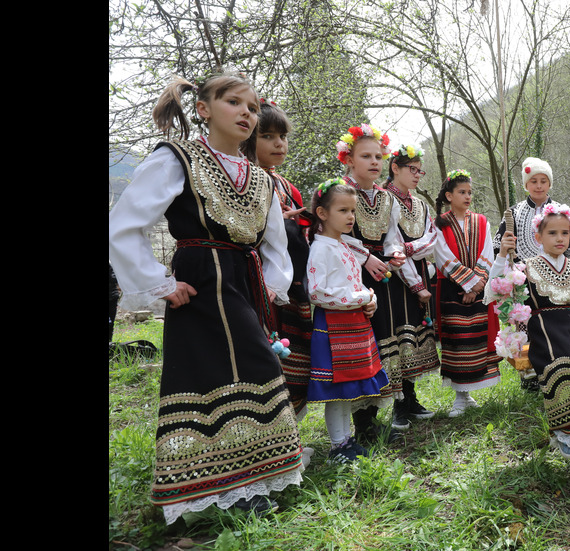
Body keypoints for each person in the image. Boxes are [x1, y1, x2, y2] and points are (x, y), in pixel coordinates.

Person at [108, 68, 303, 524]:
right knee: (210, 375)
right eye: (235, 102)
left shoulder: (261, 179)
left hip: (243, 280)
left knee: (251, 369)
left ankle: (247, 480)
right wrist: (158, 282)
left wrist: (272, 285)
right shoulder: (177, 158)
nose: (247, 114)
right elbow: (125, 224)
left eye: (253, 108)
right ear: (203, 109)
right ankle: (222, 486)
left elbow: (274, 242)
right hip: (200, 279)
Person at [488, 203, 570, 459]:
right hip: (545, 329)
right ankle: (567, 433)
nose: (560, 238)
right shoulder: (525, 267)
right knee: (565, 363)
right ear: (538, 237)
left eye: (565, 233)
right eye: (552, 233)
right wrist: (502, 256)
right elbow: (493, 291)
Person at [305, 179, 390, 463]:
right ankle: (337, 447)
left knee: (347, 390)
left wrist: (370, 299)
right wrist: (360, 298)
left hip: (353, 325)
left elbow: (358, 285)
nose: (350, 216)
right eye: (343, 210)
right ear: (322, 213)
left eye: (352, 210)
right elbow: (317, 292)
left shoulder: (344, 246)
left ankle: (346, 441)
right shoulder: (321, 249)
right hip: (334, 327)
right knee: (337, 391)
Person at [335, 123, 408, 442]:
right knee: (361, 346)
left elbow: (392, 235)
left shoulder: (386, 198)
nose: (375, 162)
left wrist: (395, 252)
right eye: (366, 156)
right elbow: (333, 235)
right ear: (349, 158)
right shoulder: (338, 191)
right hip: (352, 276)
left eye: (379, 156)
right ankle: (361, 422)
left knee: (383, 343)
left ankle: (375, 418)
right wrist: (366, 257)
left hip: (383, 278)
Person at [242, 98, 313, 421]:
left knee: (295, 362)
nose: (279, 143)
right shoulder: (243, 179)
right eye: (268, 136)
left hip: (293, 290)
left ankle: (290, 433)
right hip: (255, 287)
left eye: (282, 136)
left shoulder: (288, 188)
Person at [491, 157, 570, 391]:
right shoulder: (512, 213)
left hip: (559, 277)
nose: (539, 185)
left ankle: (561, 366)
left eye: (544, 181)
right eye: (533, 181)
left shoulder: (561, 212)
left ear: (550, 184)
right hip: (526, 280)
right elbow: (498, 247)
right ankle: (530, 374)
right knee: (525, 324)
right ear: (525, 184)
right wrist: (506, 251)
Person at [431, 170, 501, 416]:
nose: (467, 196)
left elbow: (487, 252)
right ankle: (461, 397)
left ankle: (471, 394)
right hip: (452, 289)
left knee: (478, 336)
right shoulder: (439, 224)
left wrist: (477, 285)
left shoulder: (482, 221)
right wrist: (467, 284)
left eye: (470, 192)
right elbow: (443, 257)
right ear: (449, 196)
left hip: (478, 288)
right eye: (462, 192)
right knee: (458, 341)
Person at [382, 143, 441, 426]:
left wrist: (409, 248)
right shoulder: (385, 199)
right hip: (395, 277)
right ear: (395, 168)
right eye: (412, 169)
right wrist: (416, 283)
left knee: (415, 333)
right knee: (399, 334)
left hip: (418, 269)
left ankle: (411, 398)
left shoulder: (419, 204)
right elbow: (390, 243)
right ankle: (399, 406)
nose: (418, 175)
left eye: (420, 171)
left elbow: (432, 238)